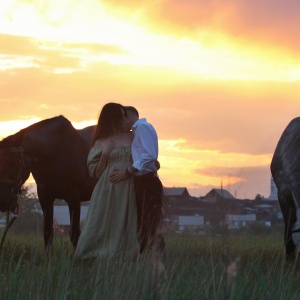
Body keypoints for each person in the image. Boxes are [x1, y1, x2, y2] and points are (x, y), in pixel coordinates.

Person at [75, 102, 138, 260]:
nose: (126, 119)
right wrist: (104, 154)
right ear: (113, 119)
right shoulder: (101, 142)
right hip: (108, 188)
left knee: (127, 219)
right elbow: (97, 173)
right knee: (102, 220)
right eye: (122, 115)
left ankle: (126, 254)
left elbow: (145, 159)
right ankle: (92, 254)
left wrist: (128, 171)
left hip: (130, 185)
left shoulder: (133, 137)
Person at [109, 106, 166, 262]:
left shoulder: (142, 128)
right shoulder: (140, 130)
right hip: (144, 180)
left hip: (147, 181)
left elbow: (148, 155)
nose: (120, 125)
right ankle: (147, 258)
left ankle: (155, 259)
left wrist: (128, 171)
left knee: (150, 222)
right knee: (145, 221)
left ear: (127, 116)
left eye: (121, 120)